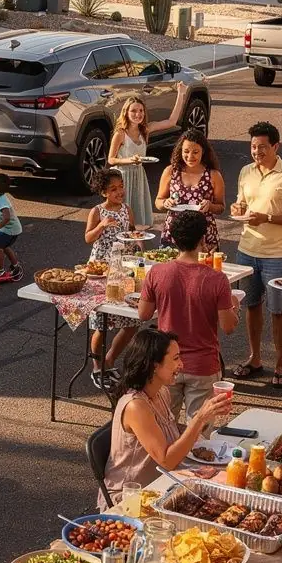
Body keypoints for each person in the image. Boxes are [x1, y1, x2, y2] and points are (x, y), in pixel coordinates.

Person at [105, 327, 229, 563]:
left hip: (161, 490)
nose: (181, 365)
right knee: (176, 552)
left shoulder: (156, 394)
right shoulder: (137, 404)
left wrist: (202, 442)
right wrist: (199, 418)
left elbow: (173, 452)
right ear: (153, 364)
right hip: (131, 502)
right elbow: (165, 458)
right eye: (174, 359)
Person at [137, 210, 239, 417]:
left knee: (164, 426)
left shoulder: (157, 272)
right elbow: (228, 326)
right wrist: (235, 306)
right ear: (203, 238)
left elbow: (143, 314)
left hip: (166, 361)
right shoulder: (217, 279)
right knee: (199, 432)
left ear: (173, 239)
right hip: (203, 365)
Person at [230, 121, 282, 389]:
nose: (257, 152)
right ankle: (255, 358)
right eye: (253, 147)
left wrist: (268, 217)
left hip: (275, 254)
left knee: (278, 309)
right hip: (246, 249)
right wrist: (238, 208)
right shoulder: (245, 172)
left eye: (262, 147)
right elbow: (242, 203)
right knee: (251, 306)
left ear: (276, 146)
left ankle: (281, 362)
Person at [85, 167, 136, 387]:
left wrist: (137, 240)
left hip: (123, 267)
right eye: (113, 189)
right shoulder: (97, 211)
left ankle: (110, 359)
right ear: (104, 192)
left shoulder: (127, 209)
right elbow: (88, 238)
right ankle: (97, 368)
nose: (119, 192)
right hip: (101, 269)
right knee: (101, 323)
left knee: (133, 321)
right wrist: (101, 226)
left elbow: (133, 232)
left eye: (121, 187)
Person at [109, 91, 185, 226]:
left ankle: (138, 242)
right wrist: (130, 160)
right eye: (133, 111)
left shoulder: (146, 130)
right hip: (122, 177)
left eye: (141, 111)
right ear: (126, 112)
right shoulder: (120, 133)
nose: (138, 114)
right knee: (122, 217)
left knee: (137, 217)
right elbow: (111, 160)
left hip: (138, 174)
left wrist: (181, 93)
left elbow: (172, 121)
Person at [156, 128, 225, 252]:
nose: (190, 156)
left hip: (203, 235)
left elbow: (221, 207)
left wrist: (210, 206)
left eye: (195, 152)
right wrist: (165, 203)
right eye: (186, 151)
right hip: (174, 233)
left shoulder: (214, 175)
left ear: (203, 151)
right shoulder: (170, 171)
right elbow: (158, 201)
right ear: (180, 151)